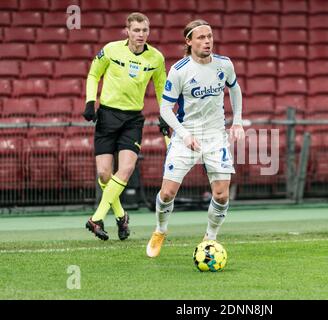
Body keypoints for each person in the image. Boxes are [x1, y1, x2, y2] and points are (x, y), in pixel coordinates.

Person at [146, 19, 245, 257]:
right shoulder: (180, 70)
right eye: (201, 37)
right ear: (188, 42)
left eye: (209, 36)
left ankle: (209, 239)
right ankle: (160, 230)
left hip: (215, 136)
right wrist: (183, 134)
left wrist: (238, 120)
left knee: (221, 194)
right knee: (167, 193)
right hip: (186, 136)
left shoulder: (224, 64)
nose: (207, 41)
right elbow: (165, 109)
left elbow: (235, 88)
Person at [83, 12, 166, 241]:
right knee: (104, 173)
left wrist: (165, 115)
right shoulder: (110, 50)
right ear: (127, 31)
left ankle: (97, 217)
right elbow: (93, 74)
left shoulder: (156, 58)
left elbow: (161, 89)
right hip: (107, 116)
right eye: (137, 30)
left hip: (132, 120)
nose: (141, 35)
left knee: (127, 169)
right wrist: (91, 102)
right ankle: (121, 215)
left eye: (145, 30)